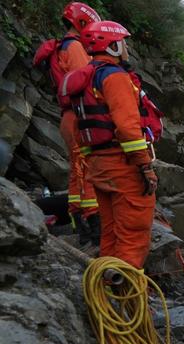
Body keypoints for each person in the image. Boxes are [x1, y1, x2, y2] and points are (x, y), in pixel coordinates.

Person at [62, 20, 157, 269]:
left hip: (99, 165)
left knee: (111, 233)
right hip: (122, 166)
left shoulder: (87, 78)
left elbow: (77, 127)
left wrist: (90, 159)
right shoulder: (114, 77)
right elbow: (127, 128)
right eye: (123, 43)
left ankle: (106, 288)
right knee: (132, 235)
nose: (126, 47)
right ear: (113, 46)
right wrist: (145, 166)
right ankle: (129, 298)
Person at [33, 2, 102, 246]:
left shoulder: (61, 47)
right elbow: (87, 82)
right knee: (89, 168)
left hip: (67, 117)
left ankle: (79, 223)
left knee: (77, 171)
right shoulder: (74, 47)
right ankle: (94, 226)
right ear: (82, 24)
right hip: (79, 116)